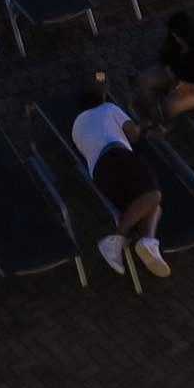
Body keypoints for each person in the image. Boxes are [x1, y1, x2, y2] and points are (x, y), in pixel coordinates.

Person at [69, 76, 170, 278]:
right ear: (99, 101)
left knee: (149, 206)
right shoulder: (108, 108)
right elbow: (133, 134)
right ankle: (116, 238)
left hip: (100, 174)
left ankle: (148, 242)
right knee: (153, 195)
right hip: (118, 157)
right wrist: (141, 126)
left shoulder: (75, 128)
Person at [138, 10, 194, 128]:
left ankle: (164, 125)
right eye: (174, 35)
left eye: (178, 36)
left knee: (170, 106)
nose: (176, 39)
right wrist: (169, 71)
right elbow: (166, 55)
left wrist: (186, 87)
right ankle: (152, 115)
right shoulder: (178, 38)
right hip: (180, 73)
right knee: (144, 80)